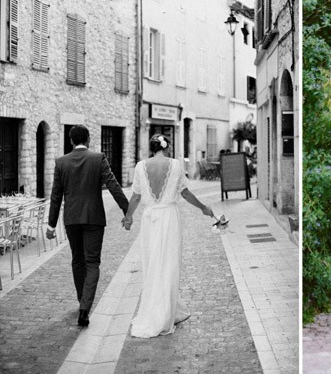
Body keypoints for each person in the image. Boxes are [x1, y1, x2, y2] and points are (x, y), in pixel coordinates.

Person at [122, 134, 217, 338]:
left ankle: (160, 309)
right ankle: (165, 313)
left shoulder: (140, 167)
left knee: (152, 264)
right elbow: (185, 193)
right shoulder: (175, 165)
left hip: (150, 219)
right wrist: (203, 208)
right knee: (169, 264)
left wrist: (128, 217)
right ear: (167, 147)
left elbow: (136, 196)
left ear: (152, 147)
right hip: (169, 218)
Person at [46, 125, 129, 327]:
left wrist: (51, 225)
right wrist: (127, 210)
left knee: (77, 261)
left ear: (71, 141)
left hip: (72, 219)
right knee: (92, 262)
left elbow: (56, 195)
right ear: (89, 139)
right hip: (93, 218)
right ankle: (85, 308)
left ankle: (82, 300)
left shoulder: (61, 162)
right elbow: (113, 185)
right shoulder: (98, 158)